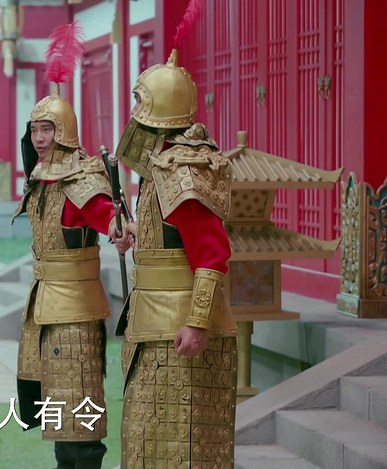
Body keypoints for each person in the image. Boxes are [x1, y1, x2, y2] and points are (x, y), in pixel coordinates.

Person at [111, 49, 238, 468]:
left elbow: (212, 254)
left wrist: (197, 322)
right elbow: (173, 236)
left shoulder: (184, 170)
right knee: (147, 444)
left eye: (139, 101)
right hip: (153, 324)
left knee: (179, 449)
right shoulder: (160, 166)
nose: (134, 110)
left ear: (158, 108)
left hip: (177, 329)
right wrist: (136, 232)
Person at [13, 21, 118, 469]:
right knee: (59, 411)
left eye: (48, 129)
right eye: (35, 130)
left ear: (65, 131)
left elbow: (103, 213)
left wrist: (120, 229)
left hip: (75, 308)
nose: (39, 138)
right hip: (45, 304)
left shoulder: (81, 176)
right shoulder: (40, 177)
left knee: (80, 411)